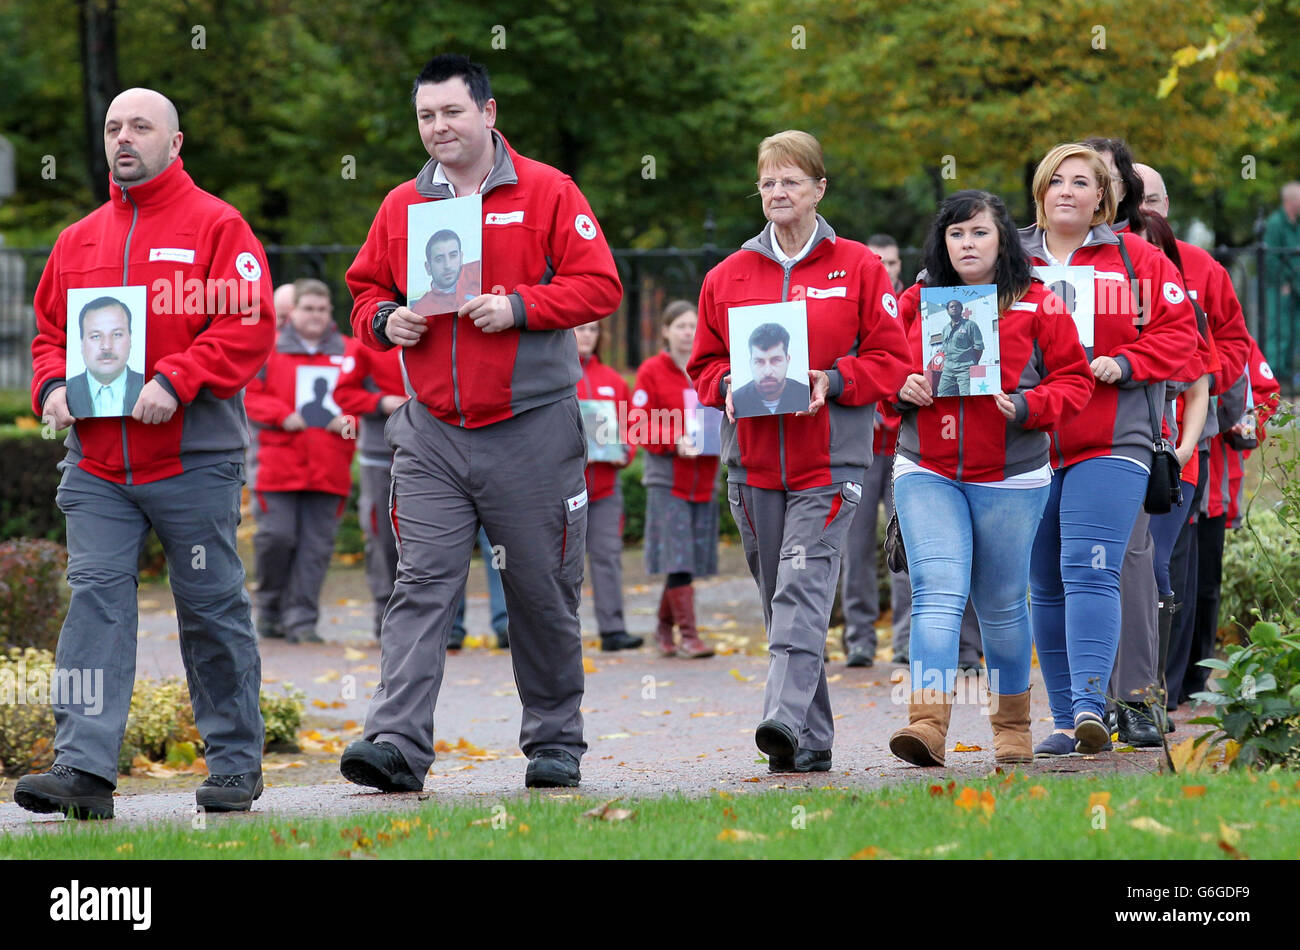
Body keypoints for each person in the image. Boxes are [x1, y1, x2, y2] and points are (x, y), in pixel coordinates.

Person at [340, 54, 622, 792]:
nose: (439, 128)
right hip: (431, 430)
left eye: (452, 113)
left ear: (488, 114)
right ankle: (396, 744)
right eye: (427, 116)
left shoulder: (549, 191)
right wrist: (382, 319)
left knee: (540, 589)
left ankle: (556, 741)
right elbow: (364, 288)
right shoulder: (402, 204)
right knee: (421, 584)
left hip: (530, 426)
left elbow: (601, 285)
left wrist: (520, 307)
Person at [20, 87, 275, 819]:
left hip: (192, 459)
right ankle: (83, 771)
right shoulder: (78, 240)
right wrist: (50, 389)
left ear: (175, 141)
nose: (123, 138)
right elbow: (47, 335)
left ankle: (233, 765)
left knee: (210, 608)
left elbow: (248, 325)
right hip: (98, 466)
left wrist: (179, 377)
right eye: (112, 127)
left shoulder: (217, 226)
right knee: (95, 601)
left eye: (140, 126)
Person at [690, 130, 911, 773]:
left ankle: (781, 717)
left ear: (819, 188)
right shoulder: (727, 275)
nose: (778, 192)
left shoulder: (862, 268)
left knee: (803, 588)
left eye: (791, 180)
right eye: (768, 182)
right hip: (753, 464)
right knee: (777, 599)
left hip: (830, 463)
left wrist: (834, 380)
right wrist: (722, 386)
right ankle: (809, 741)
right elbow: (702, 364)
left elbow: (892, 359)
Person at [887, 190, 1092, 767]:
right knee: (936, 594)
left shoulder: (1037, 303)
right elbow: (881, 370)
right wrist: (899, 389)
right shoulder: (915, 301)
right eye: (956, 234)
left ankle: (1013, 727)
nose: (967, 244)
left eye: (979, 232)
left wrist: (1028, 406)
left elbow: (1076, 383)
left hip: (1011, 474)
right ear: (942, 242)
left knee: (1002, 605)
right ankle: (925, 726)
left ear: (1003, 238)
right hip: (926, 468)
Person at [1020, 143, 1198, 758]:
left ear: (1104, 197)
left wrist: (1125, 362)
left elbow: (1181, 340)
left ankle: (1095, 705)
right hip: (1026, 444)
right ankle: (1066, 719)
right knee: (1043, 581)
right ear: (1040, 194)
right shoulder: (1009, 261)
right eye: (1056, 181)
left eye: (1083, 182)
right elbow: (947, 323)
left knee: (1090, 566)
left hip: (1111, 439)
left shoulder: (1136, 258)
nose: (1067, 191)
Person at [245, 278, 356, 644]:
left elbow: (366, 399)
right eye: (308, 308)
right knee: (277, 537)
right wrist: (280, 414)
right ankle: (271, 609)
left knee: (316, 548)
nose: (316, 316)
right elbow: (245, 395)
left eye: (322, 309)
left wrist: (349, 422)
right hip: (277, 466)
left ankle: (302, 622)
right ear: (292, 313)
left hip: (329, 466)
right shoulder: (267, 349)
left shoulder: (350, 352)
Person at [632, 300, 719, 659]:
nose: (687, 332)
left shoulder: (710, 370)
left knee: (687, 556)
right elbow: (637, 423)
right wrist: (674, 439)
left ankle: (663, 629)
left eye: (692, 326)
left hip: (704, 478)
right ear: (665, 331)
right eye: (680, 326)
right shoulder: (652, 371)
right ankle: (689, 636)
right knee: (680, 556)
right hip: (667, 478)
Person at [332, 337, 407, 640]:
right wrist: (381, 402)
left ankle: (435, 623)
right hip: (381, 457)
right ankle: (386, 619)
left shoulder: (443, 331)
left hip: (435, 455)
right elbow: (344, 393)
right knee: (383, 539)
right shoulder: (369, 340)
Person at [575, 320, 643, 652]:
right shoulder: (552, 379)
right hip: (563, 492)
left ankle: (613, 630)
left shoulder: (613, 381)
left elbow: (632, 425)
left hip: (605, 489)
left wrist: (625, 452)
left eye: (592, 329)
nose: (587, 335)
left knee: (607, 557)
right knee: (559, 565)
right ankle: (560, 634)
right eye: (580, 328)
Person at [64, 296, 146, 418]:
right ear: (81, 342)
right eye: (96, 336)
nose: (107, 346)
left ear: (130, 338)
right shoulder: (65, 392)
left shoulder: (148, 387)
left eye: (117, 334)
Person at [730, 322, 812, 415]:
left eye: (776, 360)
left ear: (787, 360)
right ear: (750, 363)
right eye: (759, 362)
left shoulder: (807, 395)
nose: (767, 371)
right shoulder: (735, 400)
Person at [1261, 181, 1300, 374]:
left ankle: (1287, 373)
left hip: (1296, 287)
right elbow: (1270, 258)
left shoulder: (1296, 224)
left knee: (1293, 331)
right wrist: (1284, 281)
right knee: (1278, 331)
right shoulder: (1276, 223)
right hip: (1281, 287)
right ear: (1291, 201)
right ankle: (1273, 376)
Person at [411, 229, 482, 317]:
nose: (447, 265)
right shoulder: (420, 310)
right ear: (428, 267)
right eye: (439, 259)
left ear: (461, 258)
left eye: (453, 256)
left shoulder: (480, 270)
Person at [933, 298, 985, 397]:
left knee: (966, 396)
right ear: (947, 311)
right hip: (948, 369)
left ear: (961, 309)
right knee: (942, 394)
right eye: (951, 307)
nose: (954, 308)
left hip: (964, 369)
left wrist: (971, 363)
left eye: (956, 306)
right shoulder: (945, 329)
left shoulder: (970, 325)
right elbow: (945, 348)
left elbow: (978, 348)